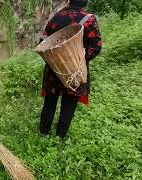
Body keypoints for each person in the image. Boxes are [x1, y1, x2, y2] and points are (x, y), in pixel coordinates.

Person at [39, 0, 102, 138]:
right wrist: (78, 59)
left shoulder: (56, 17)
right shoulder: (89, 19)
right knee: (69, 103)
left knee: (50, 101)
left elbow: (42, 42)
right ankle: (60, 137)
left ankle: (43, 133)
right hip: (75, 71)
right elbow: (96, 46)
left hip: (54, 69)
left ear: (69, 1)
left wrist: (56, 59)